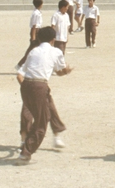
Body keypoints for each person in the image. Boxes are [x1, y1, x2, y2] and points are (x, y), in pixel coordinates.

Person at [14, 28, 74, 165]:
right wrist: (67, 71)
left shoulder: (34, 51)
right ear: (53, 39)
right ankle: (25, 153)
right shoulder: (56, 52)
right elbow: (60, 71)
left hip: (26, 85)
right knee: (41, 121)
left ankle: (25, 139)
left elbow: (22, 72)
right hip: (40, 86)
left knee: (38, 110)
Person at [17, 0, 44, 67]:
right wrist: (33, 38)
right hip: (36, 32)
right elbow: (34, 26)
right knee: (31, 50)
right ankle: (21, 64)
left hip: (38, 31)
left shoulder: (38, 12)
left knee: (36, 50)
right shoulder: (36, 14)